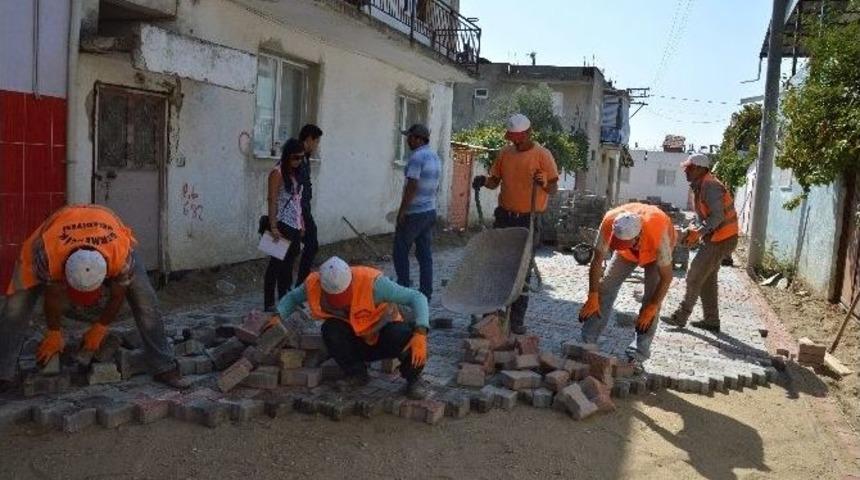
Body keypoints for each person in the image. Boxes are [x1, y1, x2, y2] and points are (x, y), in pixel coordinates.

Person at [0, 204, 188, 392]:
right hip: (55, 235)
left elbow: (118, 294)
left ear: (107, 273)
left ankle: (164, 366)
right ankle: (3, 373)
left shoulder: (120, 255)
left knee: (146, 301)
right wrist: (54, 332)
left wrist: (100, 328)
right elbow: (52, 294)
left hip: (105, 226)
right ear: (64, 271)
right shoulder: (47, 253)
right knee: (15, 308)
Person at [276, 256, 430, 399]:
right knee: (331, 329)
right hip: (354, 342)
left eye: (344, 294)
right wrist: (277, 315)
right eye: (335, 297)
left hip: (383, 336)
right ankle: (356, 373)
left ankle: (414, 378)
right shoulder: (314, 284)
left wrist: (421, 332)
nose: (342, 300)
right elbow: (292, 297)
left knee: (403, 335)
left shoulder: (373, 282)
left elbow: (417, 297)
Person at [471, 113, 559, 334]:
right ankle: (490, 317)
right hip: (505, 217)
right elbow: (494, 182)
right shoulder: (505, 153)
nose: (516, 142)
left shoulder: (542, 155)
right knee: (496, 266)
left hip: (529, 219)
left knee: (522, 271)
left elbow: (553, 189)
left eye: (519, 137)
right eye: (513, 138)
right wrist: (483, 181)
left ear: (529, 133)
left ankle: (516, 321)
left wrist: (544, 182)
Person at [578, 203, 677, 371]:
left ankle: (638, 354)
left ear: (637, 237)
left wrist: (652, 307)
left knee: (651, 300)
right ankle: (588, 341)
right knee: (605, 289)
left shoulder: (658, 235)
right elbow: (596, 261)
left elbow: (667, 278)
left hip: (655, 252)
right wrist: (593, 295)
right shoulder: (610, 221)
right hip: (627, 253)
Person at [665, 153, 739, 332]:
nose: (686, 171)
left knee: (695, 274)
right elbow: (702, 217)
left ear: (700, 169)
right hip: (718, 237)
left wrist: (699, 233)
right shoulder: (700, 185)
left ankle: (681, 316)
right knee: (707, 280)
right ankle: (711, 320)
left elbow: (718, 216)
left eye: (689, 168)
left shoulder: (710, 186)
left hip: (722, 238)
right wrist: (692, 228)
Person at [393, 123, 441, 301]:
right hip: (429, 210)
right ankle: (425, 294)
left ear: (419, 138)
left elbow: (412, 185)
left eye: (410, 137)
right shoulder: (435, 156)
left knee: (400, 250)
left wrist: (402, 211)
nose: (407, 140)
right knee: (424, 255)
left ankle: (403, 291)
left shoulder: (417, 157)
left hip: (415, 212)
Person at [264, 138, 305, 312]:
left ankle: (283, 299)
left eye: (301, 158)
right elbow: (272, 200)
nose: (298, 161)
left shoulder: (294, 175)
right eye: (295, 157)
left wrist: (301, 222)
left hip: (294, 225)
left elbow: (297, 200)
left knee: (289, 265)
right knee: (275, 265)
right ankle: (268, 302)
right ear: (287, 156)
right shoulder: (277, 173)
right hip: (281, 224)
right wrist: (273, 226)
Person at [295, 124, 322, 286]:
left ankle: (300, 283)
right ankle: (299, 284)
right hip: (298, 209)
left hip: (304, 208)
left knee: (310, 245)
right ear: (309, 138)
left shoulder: (305, 157)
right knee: (310, 244)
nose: (317, 145)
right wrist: (300, 215)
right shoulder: (298, 157)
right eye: (316, 141)